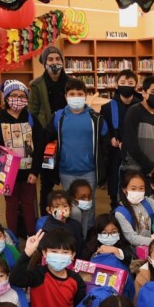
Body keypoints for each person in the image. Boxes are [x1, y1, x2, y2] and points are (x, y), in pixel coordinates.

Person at [0, 79, 42, 238]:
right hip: (7, 174)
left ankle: (31, 236)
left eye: (22, 95)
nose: (18, 99)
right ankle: (12, 237)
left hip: (28, 173)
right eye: (14, 95)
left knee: (29, 205)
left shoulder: (31, 119)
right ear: (7, 98)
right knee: (11, 205)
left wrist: (35, 171)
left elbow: (39, 147)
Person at [52, 78, 107, 215]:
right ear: (66, 97)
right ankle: (73, 234)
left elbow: (105, 142)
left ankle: (88, 233)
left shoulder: (96, 118)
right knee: (69, 206)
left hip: (89, 171)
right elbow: (49, 140)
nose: (76, 97)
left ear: (86, 96)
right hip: (66, 171)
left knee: (89, 205)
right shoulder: (58, 117)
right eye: (72, 94)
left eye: (79, 94)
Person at [29, 45, 69, 214]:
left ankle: (68, 215)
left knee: (68, 177)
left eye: (58, 59)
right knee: (47, 180)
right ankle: (46, 217)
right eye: (50, 59)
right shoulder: (37, 84)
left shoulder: (71, 82)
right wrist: (45, 127)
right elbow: (33, 111)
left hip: (67, 136)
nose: (54, 62)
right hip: (47, 139)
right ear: (44, 63)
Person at [102, 69, 141, 209]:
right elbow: (104, 130)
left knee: (134, 185)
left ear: (136, 85)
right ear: (116, 84)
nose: (126, 85)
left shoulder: (141, 106)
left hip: (135, 153)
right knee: (115, 186)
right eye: (122, 82)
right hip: (115, 154)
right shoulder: (107, 108)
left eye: (130, 83)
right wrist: (110, 139)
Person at [121, 75, 154, 176]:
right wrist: (149, 165)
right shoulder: (134, 111)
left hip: (151, 171)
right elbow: (130, 143)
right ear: (144, 93)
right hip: (133, 170)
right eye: (153, 92)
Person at [114, 171, 154, 247]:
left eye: (141, 188)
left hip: (151, 246)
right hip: (133, 251)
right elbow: (132, 238)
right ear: (124, 190)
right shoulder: (120, 213)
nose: (138, 192)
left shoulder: (147, 201)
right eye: (133, 188)